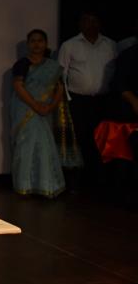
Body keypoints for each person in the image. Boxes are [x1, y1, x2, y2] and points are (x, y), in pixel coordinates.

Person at [10, 29, 77, 197]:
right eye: (33, 41)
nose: (37, 44)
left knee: (45, 147)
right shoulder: (22, 64)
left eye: (40, 40)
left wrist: (49, 107)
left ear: (46, 44)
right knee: (26, 147)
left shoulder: (53, 67)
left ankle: (47, 186)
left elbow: (59, 89)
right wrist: (36, 106)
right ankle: (24, 186)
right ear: (27, 44)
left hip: (46, 112)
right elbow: (18, 87)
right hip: (26, 110)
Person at [58, 11, 116, 177]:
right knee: (81, 139)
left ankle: (102, 176)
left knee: (104, 139)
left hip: (104, 101)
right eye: (87, 21)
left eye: (94, 20)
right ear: (80, 24)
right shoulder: (69, 45)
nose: (91, 24)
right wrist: (67, 100)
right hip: (78, 101)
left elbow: (116, 72)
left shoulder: (110, 45)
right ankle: (83, 177)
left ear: (100, 23)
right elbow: (61, 75)